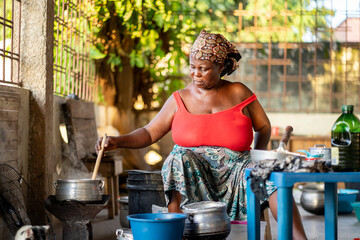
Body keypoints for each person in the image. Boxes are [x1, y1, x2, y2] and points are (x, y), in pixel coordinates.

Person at [96, 30, 307, 239]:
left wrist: (256, 156)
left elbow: (263, 127)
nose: (196, 74)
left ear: (221, 67)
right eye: (192, 67)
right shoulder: (179, 99)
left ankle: (300, 239)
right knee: (176, 158)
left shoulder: (239, 93)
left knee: (269, 176)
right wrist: (118, 141)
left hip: (237, 170)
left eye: (203, 69)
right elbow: (149, 133)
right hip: (194, 174)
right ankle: (176, 233)